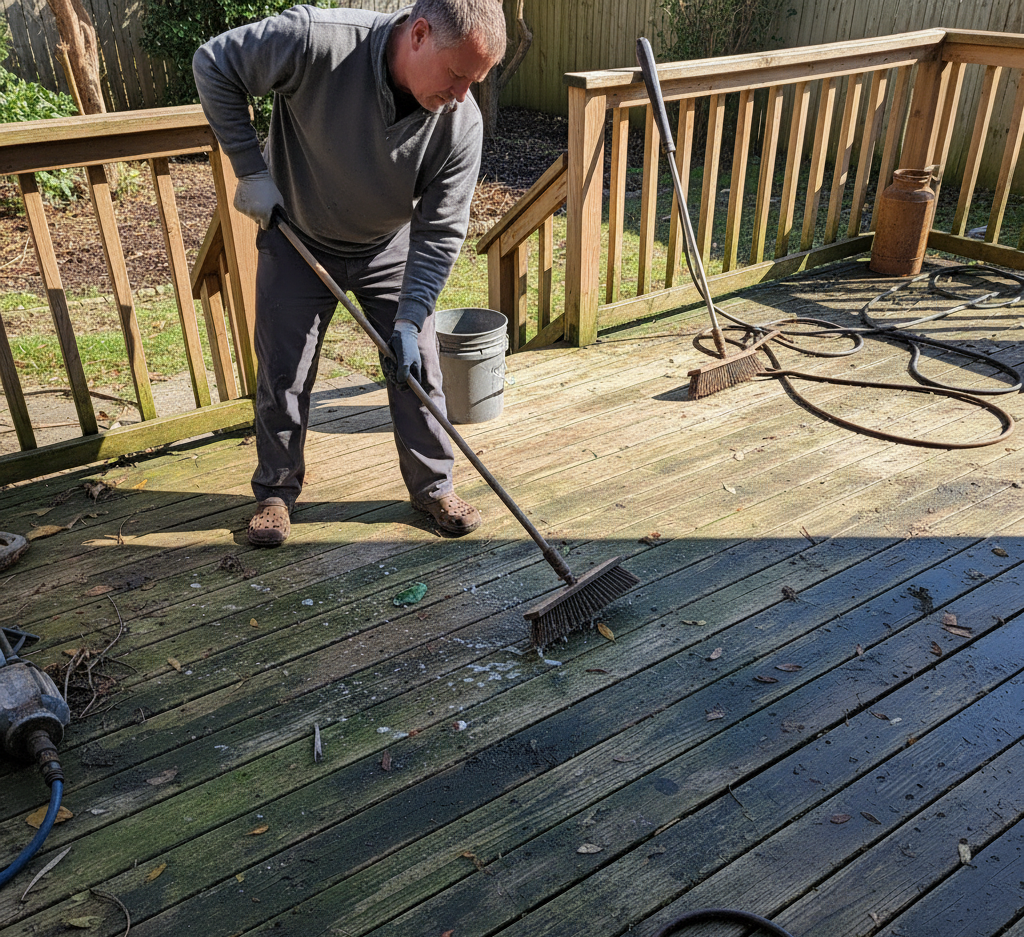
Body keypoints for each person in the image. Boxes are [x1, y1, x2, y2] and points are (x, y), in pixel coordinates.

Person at [192, 0, 506, 546]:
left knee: (418, 367)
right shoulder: (316, 40)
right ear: (420, 34)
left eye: (474, 82)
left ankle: (433, 486)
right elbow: (213, 64)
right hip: (298, 235)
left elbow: (441, 232)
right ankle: (275, 492)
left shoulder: (461, 122)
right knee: (284, 372)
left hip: (389, 245)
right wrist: (251, 169)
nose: (462, 95)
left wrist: (409, 321)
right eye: (458, 75)